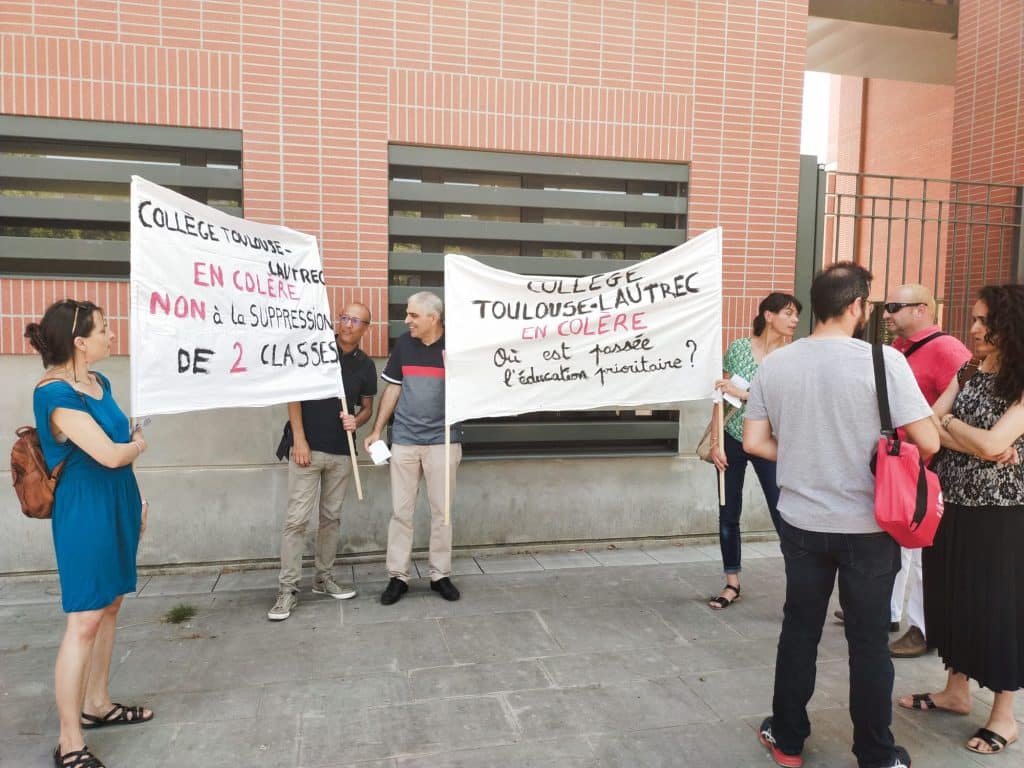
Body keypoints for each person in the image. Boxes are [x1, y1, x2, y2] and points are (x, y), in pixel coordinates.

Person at [744, 263, 938, 768]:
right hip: (871, 526)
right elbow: (930, 440)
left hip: (802, 522)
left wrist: (805, 453)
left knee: (799, 629)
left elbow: (754, 443)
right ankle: (875, 754)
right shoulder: (884, 364)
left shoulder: (775, 365)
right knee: (869, 641)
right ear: (857, 305)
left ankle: (786, 740)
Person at [26, 299, 153, 768]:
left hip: (118, 500)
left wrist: (137, 499)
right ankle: (69, 741)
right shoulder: (53, 393)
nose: (111, 336)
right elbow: (111, 453)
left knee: (111, 604)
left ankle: (97, 703)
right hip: (85, 511)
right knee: (83, 619)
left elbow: (119, 451)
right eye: (104, 330)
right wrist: (140, 442)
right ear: (80, 342)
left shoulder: (101, 382)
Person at [898, 284, 1024, 757]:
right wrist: (973, 438)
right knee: (951, 599)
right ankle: (955, 692)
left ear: (1009, 324)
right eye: (973, 319)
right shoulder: (969, 367)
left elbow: (990, 443)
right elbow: (929, 424)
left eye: (983, 321)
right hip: (952, 504)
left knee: (998, 609)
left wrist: (961, 432)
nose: (972, 329)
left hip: (1003, 515)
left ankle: (1004, 716)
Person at [267, 302, 378, 621]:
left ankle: (322, 578)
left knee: (331, 517)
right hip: (307, 449)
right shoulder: (315, 351)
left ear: (365, 328)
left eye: (356, 320)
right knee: (296, 519)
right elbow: (294, 395)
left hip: (342, 452)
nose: (347, 324)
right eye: (344, 317)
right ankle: (287, 588)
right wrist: (299, 439)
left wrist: (356, 421)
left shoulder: (365, 365)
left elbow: (367, 407)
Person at [880, 284, 970, 658]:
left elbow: (966, 399)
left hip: (930, 465)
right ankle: (890, 611)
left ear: (921, 310)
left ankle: (922, 626)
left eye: (894, 307)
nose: (886, 313)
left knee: (919, 550)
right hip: (902, 461)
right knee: (899, 539)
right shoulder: (900, 349)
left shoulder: (948, 349)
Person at [363, 291, 462, 605]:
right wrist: (377, 430)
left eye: (413, 316)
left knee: (442, 513)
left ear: (433, 318)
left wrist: (456, 370)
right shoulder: (404, 344)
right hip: (405, 440)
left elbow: (476, 391)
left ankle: (440, 575)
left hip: (444, 441)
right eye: (407, 315)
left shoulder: (457, 346)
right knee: (401, 513)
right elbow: (393, 388)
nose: (407, 321)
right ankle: (398, 577)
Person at [707, 292, 801, 610]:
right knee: (728, 513)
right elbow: (720, 396)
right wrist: (715, 442)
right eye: (788, 313)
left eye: (796, 314)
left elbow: (782, 405)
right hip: (732, 437)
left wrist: (745, 393)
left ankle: (800, 586)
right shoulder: (738, 349)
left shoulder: (791, 358)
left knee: (782, 513)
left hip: (767, 441)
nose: (795, 319)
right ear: (768, 315)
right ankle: (731, 582)